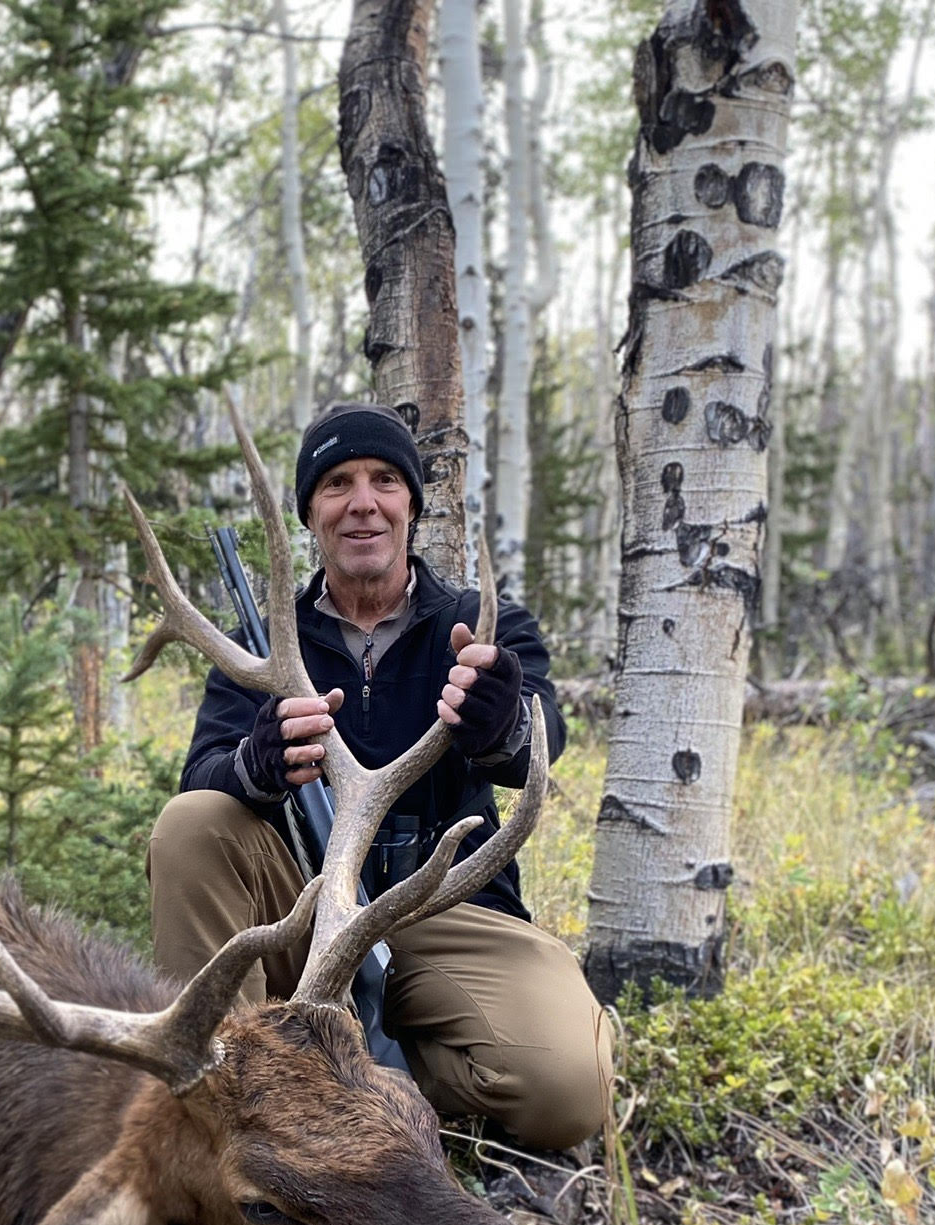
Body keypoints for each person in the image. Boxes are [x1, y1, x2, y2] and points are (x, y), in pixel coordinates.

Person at [148, 403, 610, 1152]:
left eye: (385, 481)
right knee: (191, 823)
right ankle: (229, 1105)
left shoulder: (482, 623)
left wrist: (503, 725)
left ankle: (340, 1084)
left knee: (570, 1090)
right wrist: (254, 766)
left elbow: (544, 736)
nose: (363, 502)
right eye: (337, 484)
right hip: (300, 905)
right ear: (310, 514)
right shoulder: (260, 648)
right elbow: (201, 774)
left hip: (447, 902)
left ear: (412, 508)